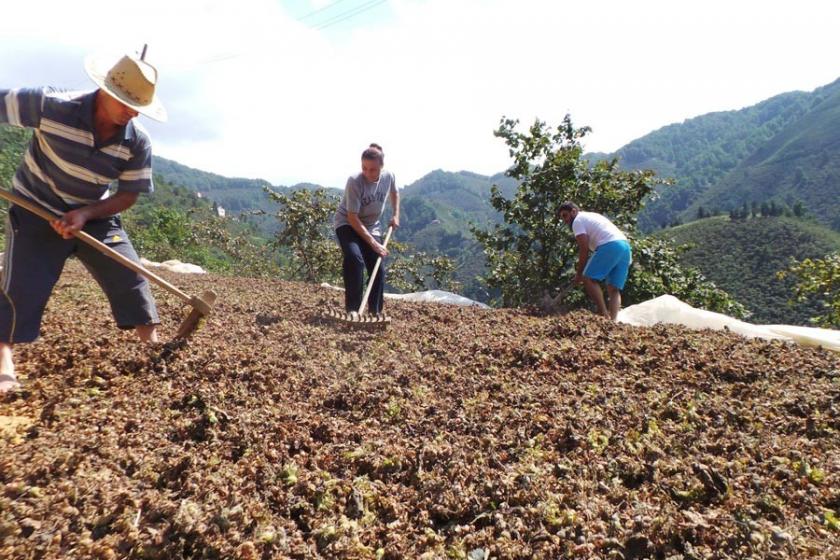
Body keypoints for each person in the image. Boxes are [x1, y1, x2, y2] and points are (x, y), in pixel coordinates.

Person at [0, 48, 167, 393]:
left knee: (130, 273)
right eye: (124, 102)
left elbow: (128, 194)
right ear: (105, 90)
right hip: (35, 208)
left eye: (137, 106)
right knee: (20, 286)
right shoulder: (51, 104)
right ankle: (4, 365)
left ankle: (151, 346)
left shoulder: (136, 141)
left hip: (93, 214)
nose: (130, 112)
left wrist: (86, 213)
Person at [334, 143, 400, 315]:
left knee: (377, 265)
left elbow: (395, 193)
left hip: (371, 226)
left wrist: (396, 214)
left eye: (373, 169)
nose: (368, 173)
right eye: (364, 168)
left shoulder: (389, 176)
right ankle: (353, 310)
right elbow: (352, 217)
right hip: (348, 224)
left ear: (381, 167)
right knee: (355, 259)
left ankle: (375, 312)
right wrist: (373, 243)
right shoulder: (355, 181)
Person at [558, 202, 632, 321]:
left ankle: (603, 315)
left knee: (588, 278)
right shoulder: (590, 216)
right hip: (625, 246)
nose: (565, 220)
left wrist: (579, 274)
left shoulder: (577, 221)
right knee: (614, 289)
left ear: (573, 211)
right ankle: (613, 321)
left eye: (565, 215)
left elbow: (584, 248)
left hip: (610, 245)